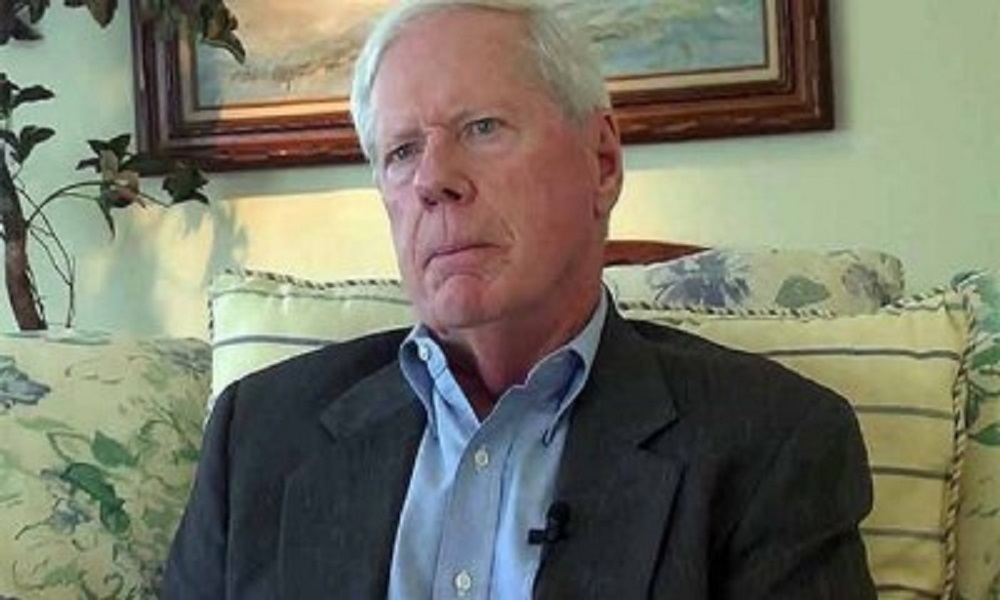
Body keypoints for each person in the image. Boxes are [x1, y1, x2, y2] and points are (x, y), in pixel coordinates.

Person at [164, 1, 876, 598]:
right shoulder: (259, 435)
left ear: (602, 163)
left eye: (482, 128)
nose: (433, 181)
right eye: (402, 151)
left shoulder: (771, 441)